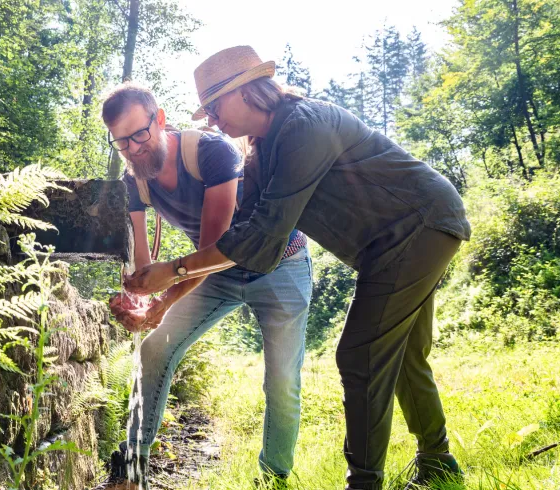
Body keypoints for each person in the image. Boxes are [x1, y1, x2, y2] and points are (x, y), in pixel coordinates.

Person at [123, 46, 472, 490]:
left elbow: (264, 236)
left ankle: (364, 483)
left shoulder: (304, 127)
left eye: (214, 107)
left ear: (246, 92)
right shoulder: (261, 152)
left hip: (420, 225)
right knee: (401, 354)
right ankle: (439, 464)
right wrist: (171, 283)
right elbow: (241, 234)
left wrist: (172, 270)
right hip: (390, 246)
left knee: (360, 355)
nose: (210, 120)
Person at [101, 82, 313, 489]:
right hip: (212, 272)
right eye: (121, 143)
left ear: (159, 119)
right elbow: (143, 265)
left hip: (278, 265)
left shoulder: (212, 152)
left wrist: (163, 302)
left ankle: (274, 479)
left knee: (282, 382)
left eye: (140, 134)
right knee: (154, 349)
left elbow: (217, 247)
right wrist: (138, 302)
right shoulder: (134, 181)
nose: (134, 149)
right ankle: (130, 471)